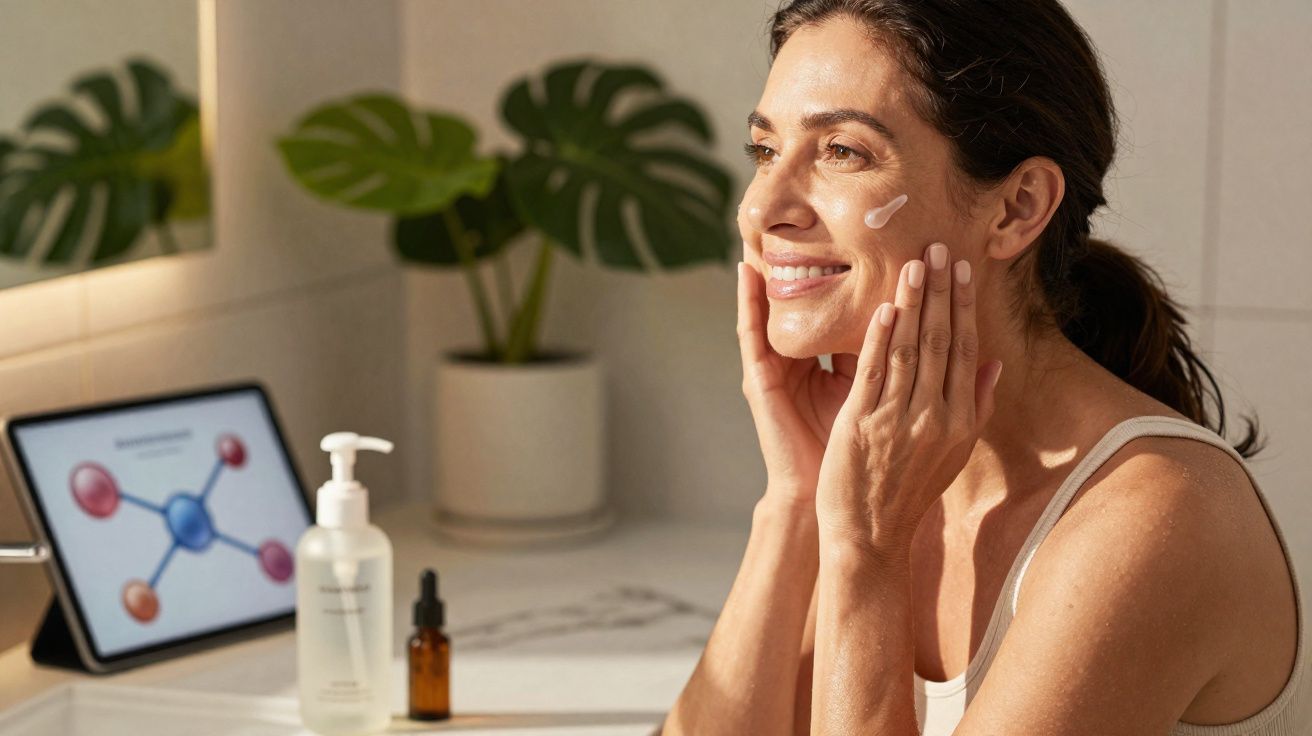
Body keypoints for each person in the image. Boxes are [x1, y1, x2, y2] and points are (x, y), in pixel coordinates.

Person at [662, 1, 1308, 734]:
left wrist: (866, 554)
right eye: (766, 150)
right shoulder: (890, 470)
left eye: (842, 150)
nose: (761, 209)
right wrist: (795, 501)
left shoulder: (1153, 518)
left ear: (1016, 208)